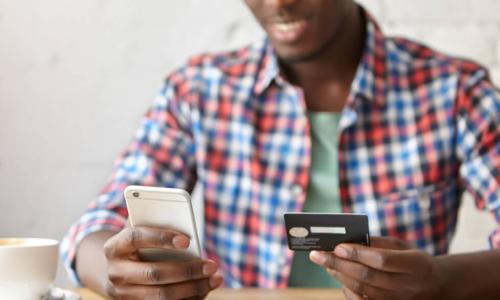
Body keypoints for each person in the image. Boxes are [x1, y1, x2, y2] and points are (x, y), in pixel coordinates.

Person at [61, 0, 500, 299]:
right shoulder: (199, 90)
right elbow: (95, 228)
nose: (278, 2)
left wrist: (442, 281)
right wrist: (116, 276)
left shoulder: (455, 91)